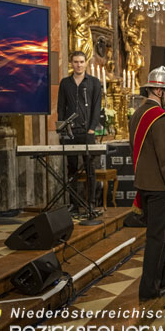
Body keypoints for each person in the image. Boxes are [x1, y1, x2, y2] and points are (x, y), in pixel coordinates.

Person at [129, 66, 165, 301]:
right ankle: (149, 289)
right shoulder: (160, 117)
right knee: (156, 238)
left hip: (144, 183)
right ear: (158, 91)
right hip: (160, 187)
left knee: (160, 235)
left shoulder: (137, 114)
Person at [57, 51, 102, 212]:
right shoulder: (65, 83)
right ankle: (74, 204)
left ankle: (91, 203)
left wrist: (91, 129)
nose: (79, 64)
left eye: (81, 62)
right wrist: (62, 129)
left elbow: (97, 107)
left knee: (90, 168)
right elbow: (61, 107)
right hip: (69, 133)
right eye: (76, 62)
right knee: (72, 169)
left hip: (87, 131)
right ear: (71, 63)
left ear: (86, 63)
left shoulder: (94, 83)